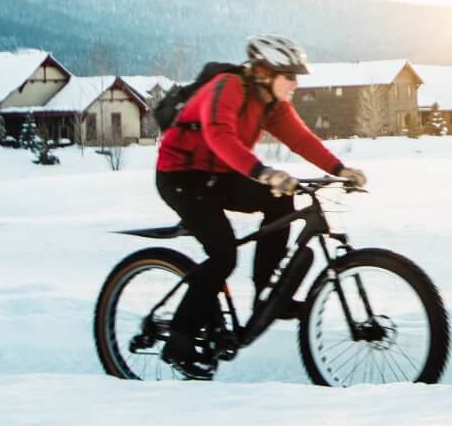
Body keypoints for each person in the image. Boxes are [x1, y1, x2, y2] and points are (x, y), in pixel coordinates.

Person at [153, 35, 368, 376]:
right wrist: (263, 172)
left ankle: (267, 294)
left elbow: (300, 139)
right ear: (266, 72)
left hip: (220, 175)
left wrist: (339, 169)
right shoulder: (227, 87)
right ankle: (179, 339)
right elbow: (218, 135)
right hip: (182, 178)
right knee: (223, 255)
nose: (296, 83)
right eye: (290, 76)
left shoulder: (271, 103)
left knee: (279, 200)